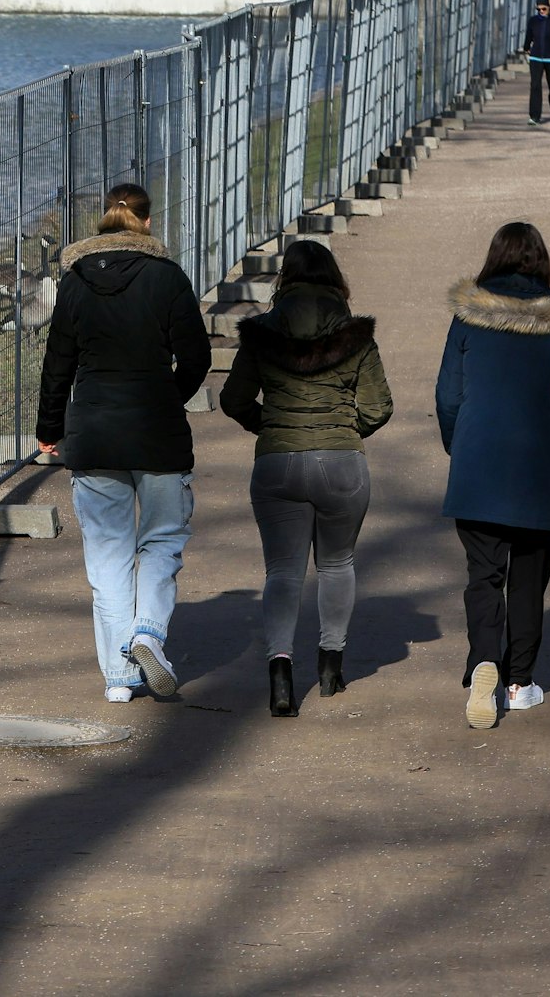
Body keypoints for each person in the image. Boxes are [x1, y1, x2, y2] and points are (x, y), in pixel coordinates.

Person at [37, 183, 212, 703]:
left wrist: (50, 429)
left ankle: (119, 679)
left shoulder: (74, 284)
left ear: (103, 221)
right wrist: (170, 397)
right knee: (160, 542)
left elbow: (57, 366)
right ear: (148, 222)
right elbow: (197, 357)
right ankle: (147, 635)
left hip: (92, 434)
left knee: (108, 559)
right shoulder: (168, 278)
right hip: (157, 432)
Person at [437, 223, 550, 730]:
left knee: (483, 576)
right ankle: (518, 682)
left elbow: (448, 394)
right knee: (529, 581)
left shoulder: (468, 317)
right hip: (540, 472)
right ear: (541, 262)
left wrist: (460, 447)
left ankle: (484, 660)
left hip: (479, 468)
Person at [220, 242, 392, 717]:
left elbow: (233, 400)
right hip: (341, 464)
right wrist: (340, 432)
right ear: (336, 281)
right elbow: (379, 407)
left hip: (278, 464)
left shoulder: (261, 333)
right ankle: (331, 667)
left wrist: (270, 428)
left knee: (282, 572)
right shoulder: (356, 336)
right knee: (337, 564)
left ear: (285, 279)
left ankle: (280, 675)